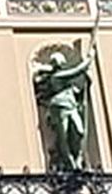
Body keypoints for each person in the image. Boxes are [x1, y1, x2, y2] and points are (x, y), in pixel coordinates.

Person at [33, 41, 96, 171]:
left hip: (70, 106)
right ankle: (70, 163)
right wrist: (90, 58)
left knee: (79, 131)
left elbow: (77, 89)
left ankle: (77, 158)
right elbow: (77, 71)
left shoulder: (64, 81)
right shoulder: (56, 77)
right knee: (64, 136)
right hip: (59, 108)